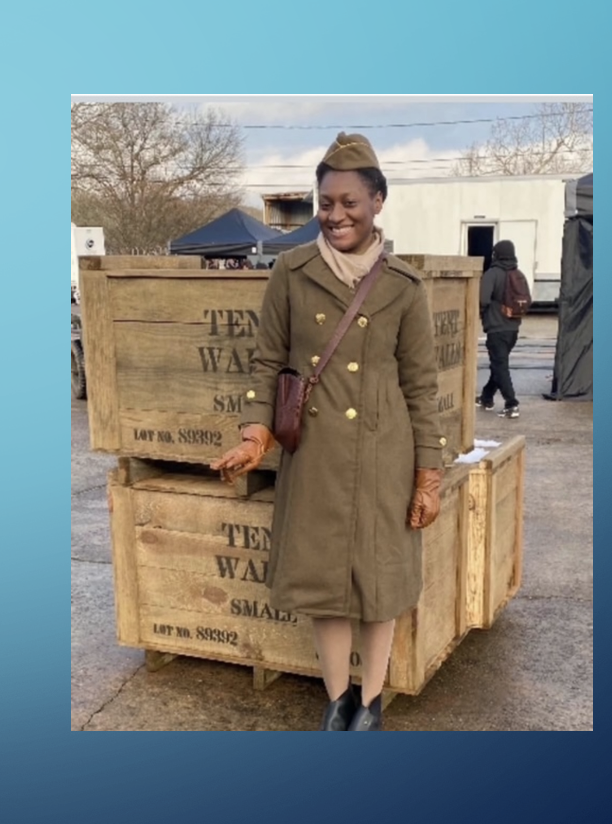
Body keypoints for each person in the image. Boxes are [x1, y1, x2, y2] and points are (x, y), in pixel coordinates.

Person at [210, 132, 447, 731]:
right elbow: (268, 363)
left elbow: (421, 388)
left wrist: (428, 474)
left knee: (380, 584)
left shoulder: (403, 287)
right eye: (326, 202)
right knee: (324, 585)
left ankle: (371, 701)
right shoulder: (291, 271)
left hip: (383, 457)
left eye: (349, 202)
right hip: (313, 455)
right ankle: (338, 699)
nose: (335, 214)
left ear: (377, 202)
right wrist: (254, 433)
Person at [476, 239, 522, 419]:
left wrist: (482, 313)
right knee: (498, 363)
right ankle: (486, 397)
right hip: (513, 327)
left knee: (500, 365)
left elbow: (483, 299)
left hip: (496, 327)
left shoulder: (492, 273)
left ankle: (512, 404)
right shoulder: (518, 274)